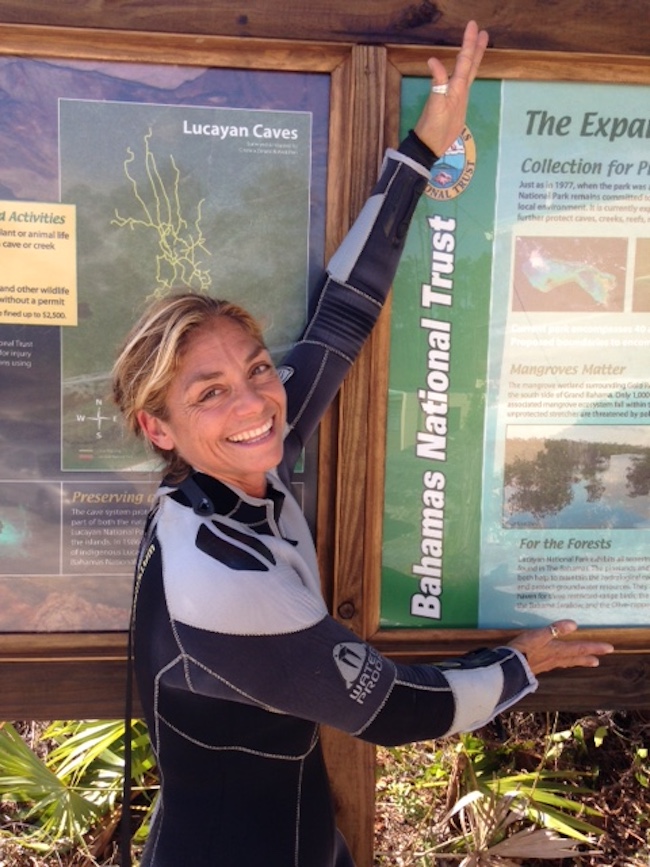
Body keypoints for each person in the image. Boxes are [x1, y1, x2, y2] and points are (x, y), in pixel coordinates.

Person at [112, 21, 614, 867]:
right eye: (210, 390)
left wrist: (423, 149)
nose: (256, 400)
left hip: (305, 841)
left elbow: (342, 316)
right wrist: (518, 667)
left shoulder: (230, 478)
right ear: (156, 427)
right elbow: (390, 710)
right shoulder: (217, 576)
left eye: (257, 368)